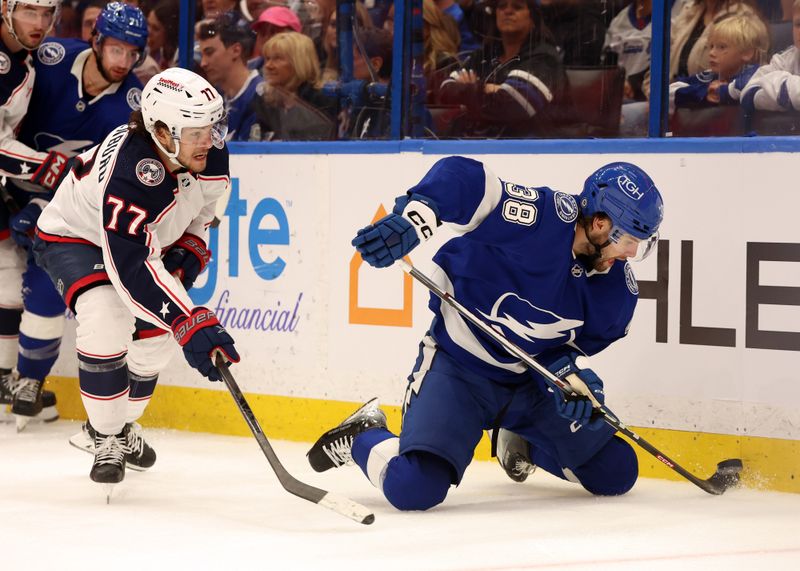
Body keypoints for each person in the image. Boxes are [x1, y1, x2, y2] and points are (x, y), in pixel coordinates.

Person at [307, 157, 664, 511]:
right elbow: (463, 176)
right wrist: (415, 220)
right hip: (459, 370)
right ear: (600, 224)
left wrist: (571, 382)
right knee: (414, 488)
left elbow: (564, 350)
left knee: (616, 472)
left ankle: (521, 443)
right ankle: (364, 433)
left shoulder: (616, 292)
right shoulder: (542, 218)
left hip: (529, 385)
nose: (632, 253)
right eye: (630, 240)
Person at [33, 67, 239, 486]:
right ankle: (106, 436)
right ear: (162, 132)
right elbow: (131, 269)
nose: (209, 140)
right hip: (74, 237)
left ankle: (115, 428)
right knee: (106, 312)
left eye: (212, 128)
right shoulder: (131, 173)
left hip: (139, 243)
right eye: (196, 131)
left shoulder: (206, 150)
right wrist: (189, 319)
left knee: (158, 335)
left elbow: (206, 209)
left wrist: (191, 250)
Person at [5, 1, 148, 431]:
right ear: (97, 41)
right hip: (9, 175)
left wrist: (40, 207)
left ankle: (28, 380)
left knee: (49, 280)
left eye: (133, 53)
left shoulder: (132, 105)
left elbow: (109, 184)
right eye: (116, 50)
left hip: (63, 203)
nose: (123, 62)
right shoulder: (51, 61)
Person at [0, 0, 65, 423]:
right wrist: (48, 165)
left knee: (7, 273)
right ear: (5, 9)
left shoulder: (19, 61)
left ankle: (3, 376)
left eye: (47, 13)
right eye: (29, 12)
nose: (40, 23)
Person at [438, 0, 565, 137]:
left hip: (527, 150)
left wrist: (473, 88)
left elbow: (512, 107)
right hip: (474, 145)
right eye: (502, 6)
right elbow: (446, 90)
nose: (508, 11)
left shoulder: (544, 58)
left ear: (533, 18)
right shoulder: (484, 55)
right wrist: (489, 88)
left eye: (517, 6)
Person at [669, 12, 768, 113]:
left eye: (722, 47)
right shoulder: (710, 76)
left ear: (747, 53)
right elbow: (669, 91)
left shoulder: (759, 77)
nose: (711, 53)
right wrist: (704, 92)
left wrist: (725, 91)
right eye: (711, 46)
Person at [247, 31, 336, 140]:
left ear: (299, 62)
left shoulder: (321, 100)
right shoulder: (264, 101)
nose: (268, 65)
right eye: (267, 58)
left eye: (277, 59)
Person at [198, 12, 263, 141]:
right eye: (202, 55)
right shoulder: (214, 99)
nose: (203, 63)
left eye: (209, 53)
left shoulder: (261, 98)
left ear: (236, 51)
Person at [740, 0, 800, 111]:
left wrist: (774, 81)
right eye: (798, 24)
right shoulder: (784, 59)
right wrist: (786, 95)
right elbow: (749, 92)